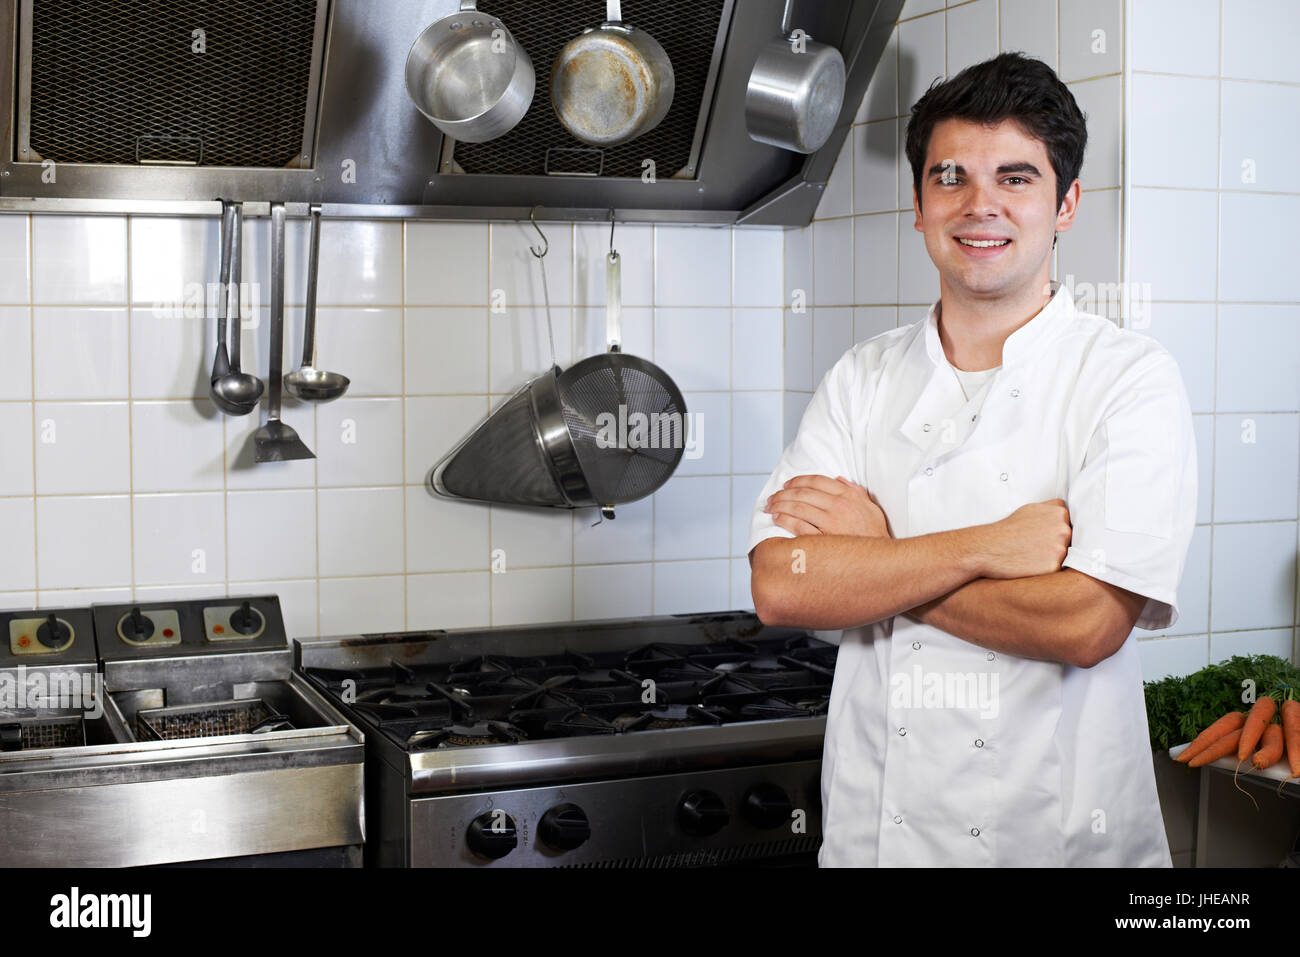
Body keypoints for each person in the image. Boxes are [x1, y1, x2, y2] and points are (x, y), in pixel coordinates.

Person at [747, 52, 1196, 867]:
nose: (979, 205)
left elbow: (1088, 622)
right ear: (917, 206)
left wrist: (875, 565)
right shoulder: (862, 378)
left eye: (1016, 178)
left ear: (1066, 206)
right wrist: (986, 549)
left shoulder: (1128, 379)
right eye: (950, 177)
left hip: (1056, 846)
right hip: (877, 843)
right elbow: (783, 584)